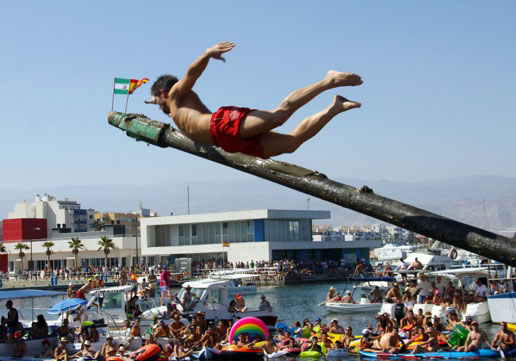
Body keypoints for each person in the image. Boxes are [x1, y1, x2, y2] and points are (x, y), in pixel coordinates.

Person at [146, 42, 362, 159]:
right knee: (291, 144)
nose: (156, 104)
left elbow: (191, 74)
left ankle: (328, 80)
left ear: (163, 93)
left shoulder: (174, 95)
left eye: (155, 100)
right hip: (227, 141)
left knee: (278, 116)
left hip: (222, 125)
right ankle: (335, 107)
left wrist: (206, 54)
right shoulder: (176, 114)